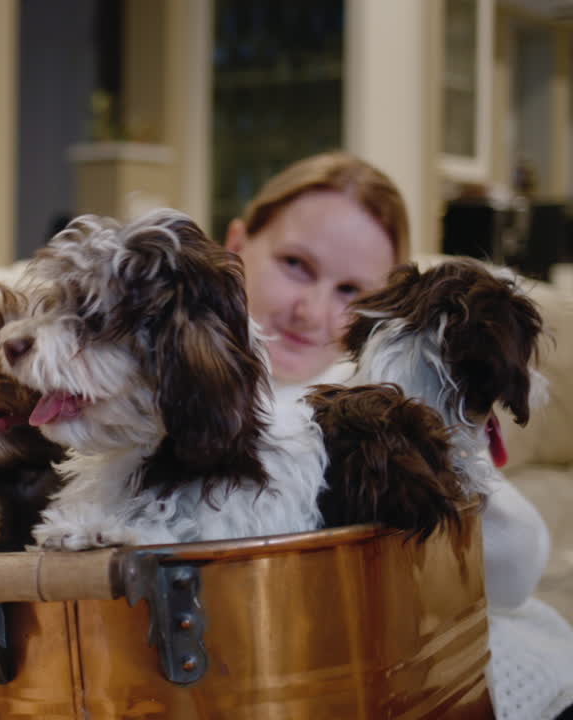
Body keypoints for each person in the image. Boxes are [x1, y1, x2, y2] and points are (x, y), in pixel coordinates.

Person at [226, 150, 573, 720]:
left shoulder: (382, 400)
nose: (311, 310)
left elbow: (516, 568)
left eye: (350, 292)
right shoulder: (159, 381)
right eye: (295, 265)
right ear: (236, 245)